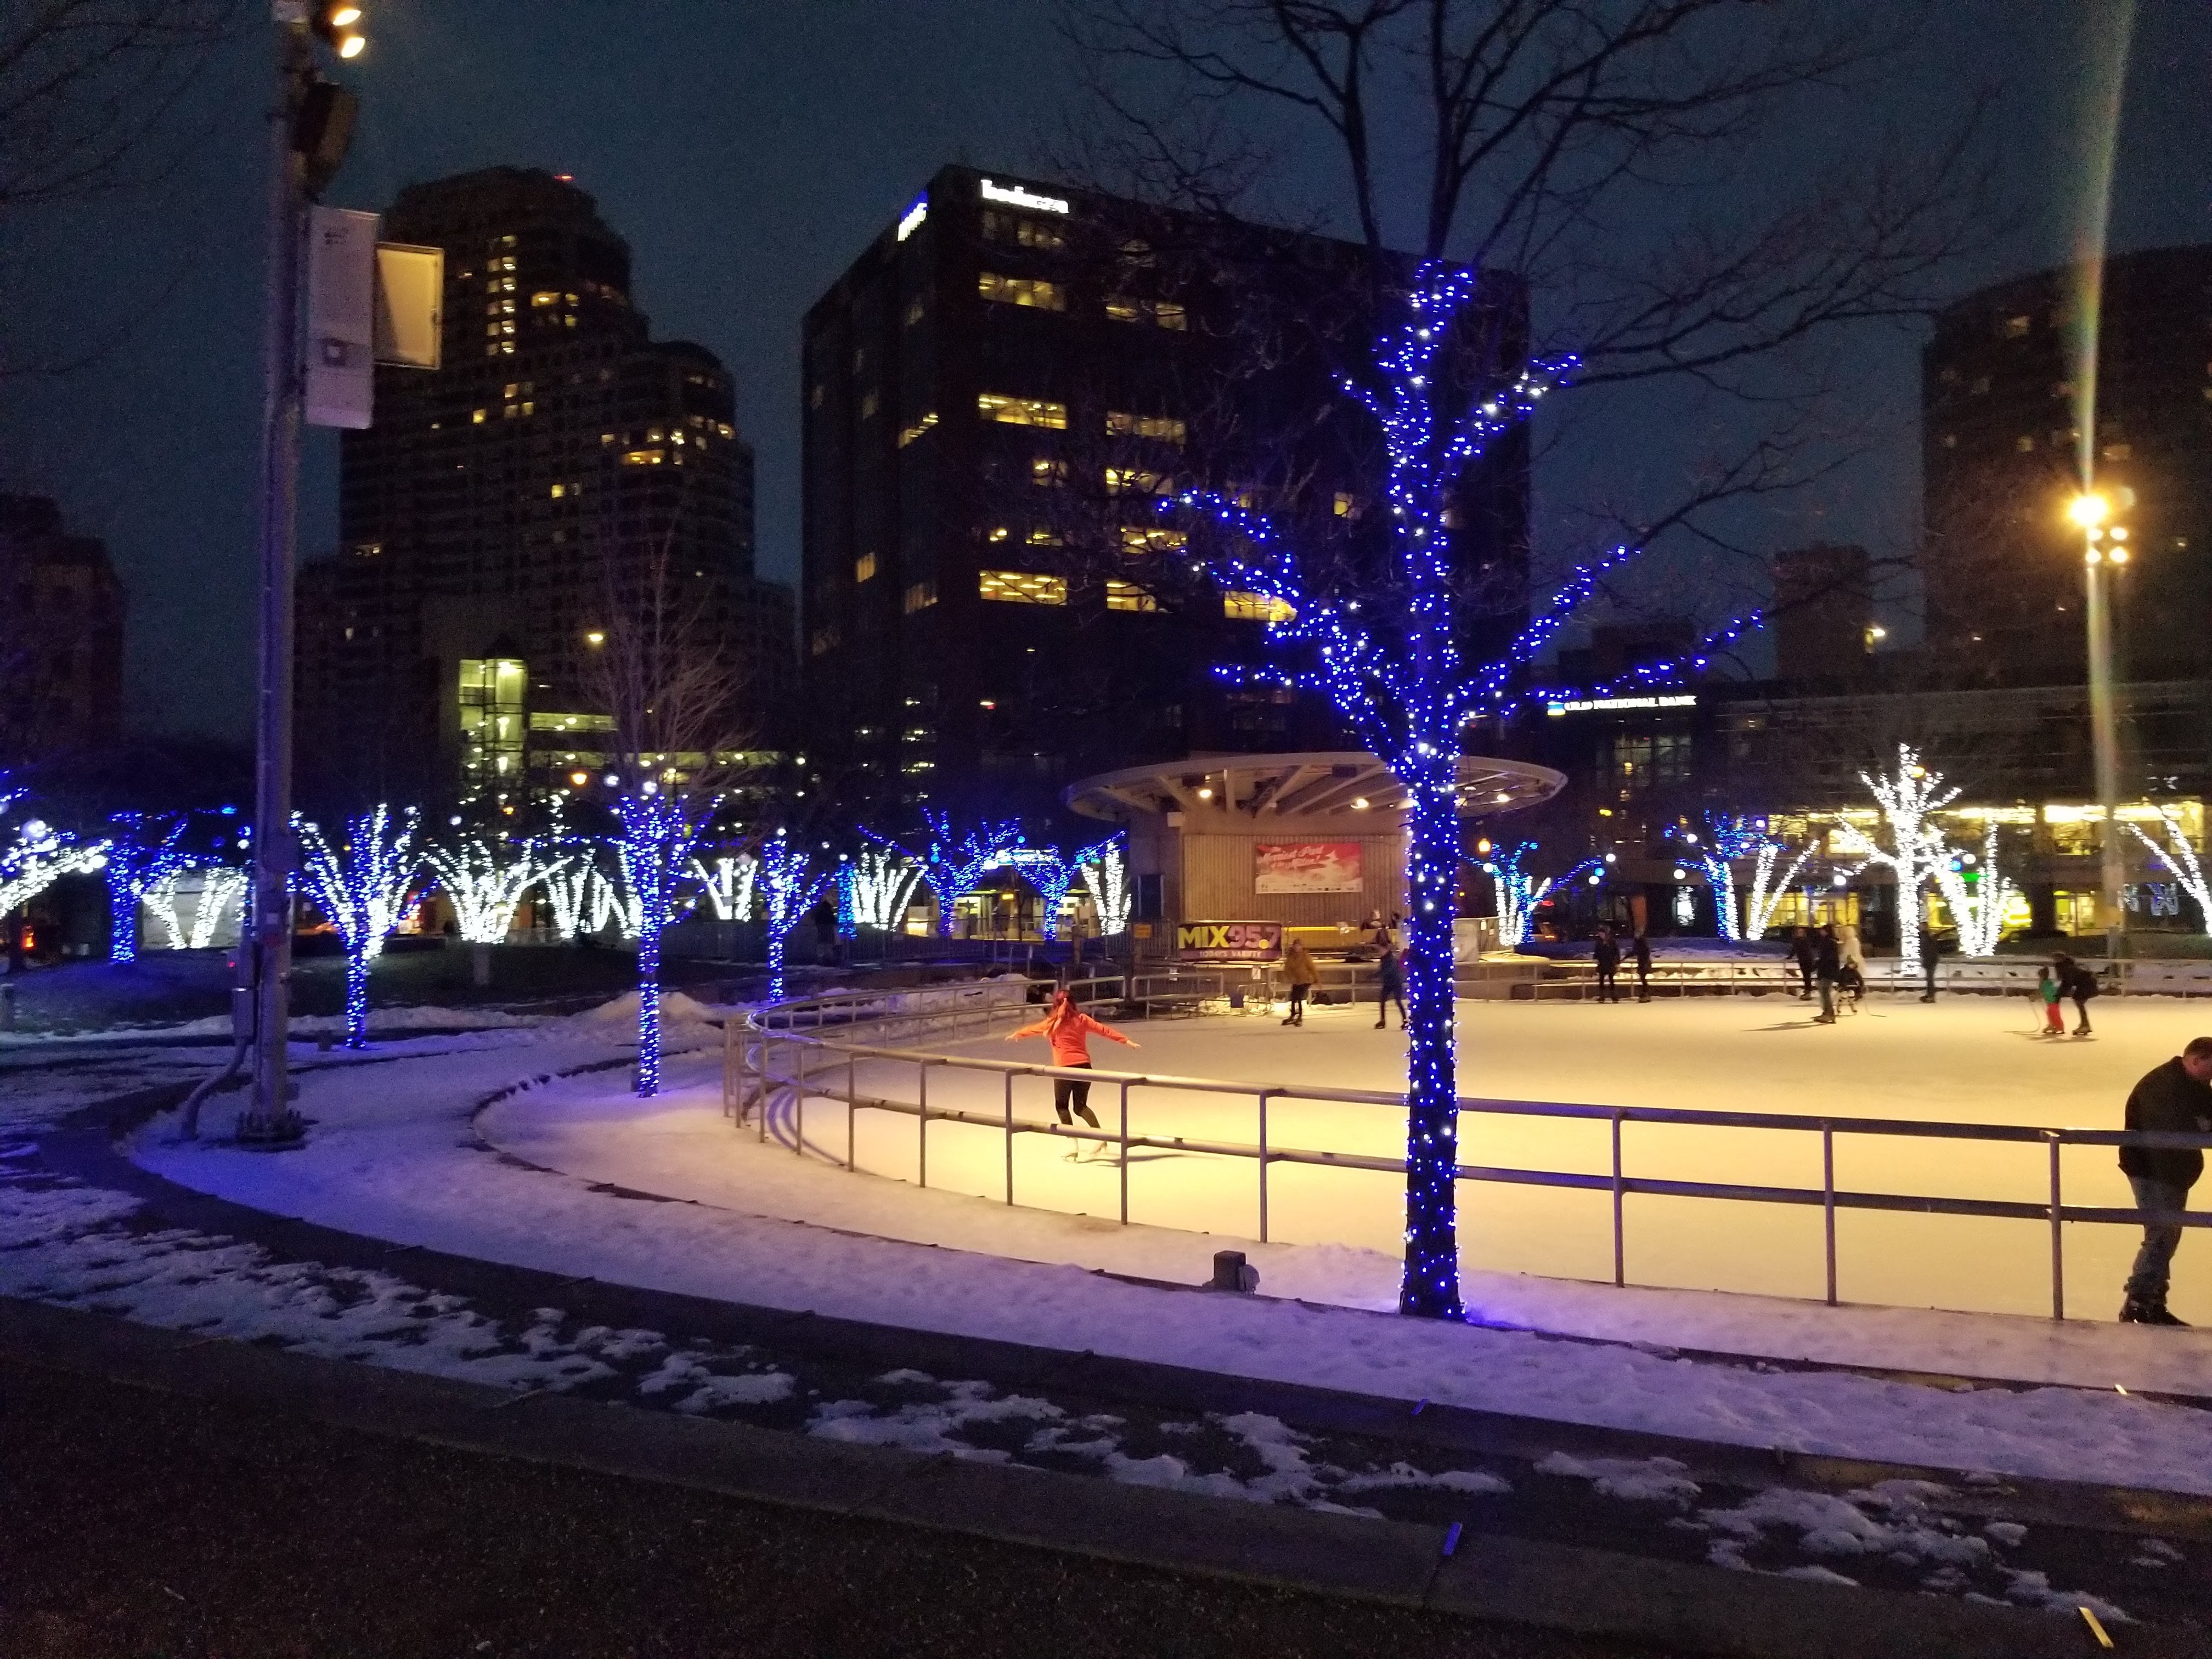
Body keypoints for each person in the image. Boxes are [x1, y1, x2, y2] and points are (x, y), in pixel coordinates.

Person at [2117, 1036, 2212, 1324]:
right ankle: (2138, 1303)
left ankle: (2153, 1302)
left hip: (2171, 1171)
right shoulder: (2164, 1086)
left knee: (2166, 1236)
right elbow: (2175, 1131)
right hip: (2153, 1170)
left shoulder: (2193, 1083)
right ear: (2195, 1061)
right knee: (2161, 1236)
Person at [1005, 988, 1138, 1160]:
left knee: (1062, 1106)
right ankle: (1100, 1136)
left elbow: (1033, 1029)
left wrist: (1018, 1034)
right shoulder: (1082, 1019)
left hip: (1064, 1069)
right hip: (1084, 1067)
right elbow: (1104, 1030)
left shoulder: (1052, 1023)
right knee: (1080, 1106)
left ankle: (1072, 1143)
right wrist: (1125, 1040)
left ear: (1055, 1004)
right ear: (1074, 1003)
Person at [2057, 951, 2100, 1037]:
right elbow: (2066, 984)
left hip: (2086, 985)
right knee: (2079, 1002)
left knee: (2079, 1002)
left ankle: (2085, 1025)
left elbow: (2067, 984)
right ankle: (2085, 1024)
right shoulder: (2068, 967)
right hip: (2087, 984)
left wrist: (2059, 995)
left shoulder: (2066, 969)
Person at [1282, 936, 1319, 1026]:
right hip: (1296, 981)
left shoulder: (1305, 957)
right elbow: (1287, 969)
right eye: (1295, 946)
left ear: (1301, 947)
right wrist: (1291, 978)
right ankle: (1293, 1015)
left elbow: (1312, 968)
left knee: (1298, 997)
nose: (1297, 948)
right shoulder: (1291, 957)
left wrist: (1317, 980)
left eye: (1299, 946)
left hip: (1306, 980)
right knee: (1293, 997)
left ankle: (1300, 1016)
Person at [1812, 924, 1841, 1024]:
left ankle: (1829, 1013)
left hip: (1828, 971)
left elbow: (1828, 958)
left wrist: (1818, 965)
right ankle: (1827, 1013)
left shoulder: (1830, 942)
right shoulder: (1827, 942)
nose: (1821, 932)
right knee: (1824, 991)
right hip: (1826, 970)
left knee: (1825, 991)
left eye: (1823, 930)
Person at [1374, 940, 1407, 1029]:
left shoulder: (1391, 959)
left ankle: (1405, 1020)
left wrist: (1375, 976)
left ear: (1386, 949)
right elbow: (1384, 970)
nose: (1380, 952)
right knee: (1382, 1000)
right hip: (1388, 983)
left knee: (1398, 1001)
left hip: (1396, 982)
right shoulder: (1384, 959)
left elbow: (1387, 970)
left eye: (1381, 950)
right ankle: (1383, 1020)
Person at [2036, 964, 2067, 1037]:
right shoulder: (2046, 983)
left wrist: (2036, 997)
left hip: (2053, 1001)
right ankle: (2052, 1025)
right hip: (2051, 1001)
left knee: (2054, 1014)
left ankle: (2059, 1027)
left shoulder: (2045, 984)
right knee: (2050, 1014)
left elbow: (2044, 993)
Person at [1592, 927, 1621, 1004]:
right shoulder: (1599, 942)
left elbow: (1617, 952)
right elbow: (1596, 952)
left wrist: (1617, 962)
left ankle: (1614, 997)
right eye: (1599, 934)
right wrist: (1595, 958)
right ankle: (1602, 997)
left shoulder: (1612, 941)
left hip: (1610, 963)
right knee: (1601, 981)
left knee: (1611, 980)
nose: (1600, 935)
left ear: (1605, 933)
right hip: (1602, 964)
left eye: (1601, 934)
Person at [1788, 927, 1816, 1000]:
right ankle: (1807, 991)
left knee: (1807, 976)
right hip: (1802, 960)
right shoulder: (1799, 941)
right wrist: (1790, 956)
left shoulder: (1804, 941)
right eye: (1799, 932)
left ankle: (1808, 991)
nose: (1800, 934)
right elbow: (1795, 950)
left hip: (1807, 960)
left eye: (1802, 932)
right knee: (1806, 976)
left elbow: (1807, 951)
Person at [1917, 928, 1944, 1002]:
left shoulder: (1926, 941)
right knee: (1929, 979)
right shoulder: (1930, 940)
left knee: (1930, 979)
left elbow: (1927, 953)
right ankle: (1930, 995)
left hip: (1930, 962)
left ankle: (1931, 996)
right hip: (1931, 962)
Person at [1630, 932, 1652, 1002]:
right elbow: (1635, 952)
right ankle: (1645, 993)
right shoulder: (1639, 943)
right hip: (1642, 963)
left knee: (1643, 978)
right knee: (1643, 979)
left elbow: (1641, 953)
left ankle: (1646, 994)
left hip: (1644, 964)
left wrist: (1645, 963)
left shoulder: (1642, 943)